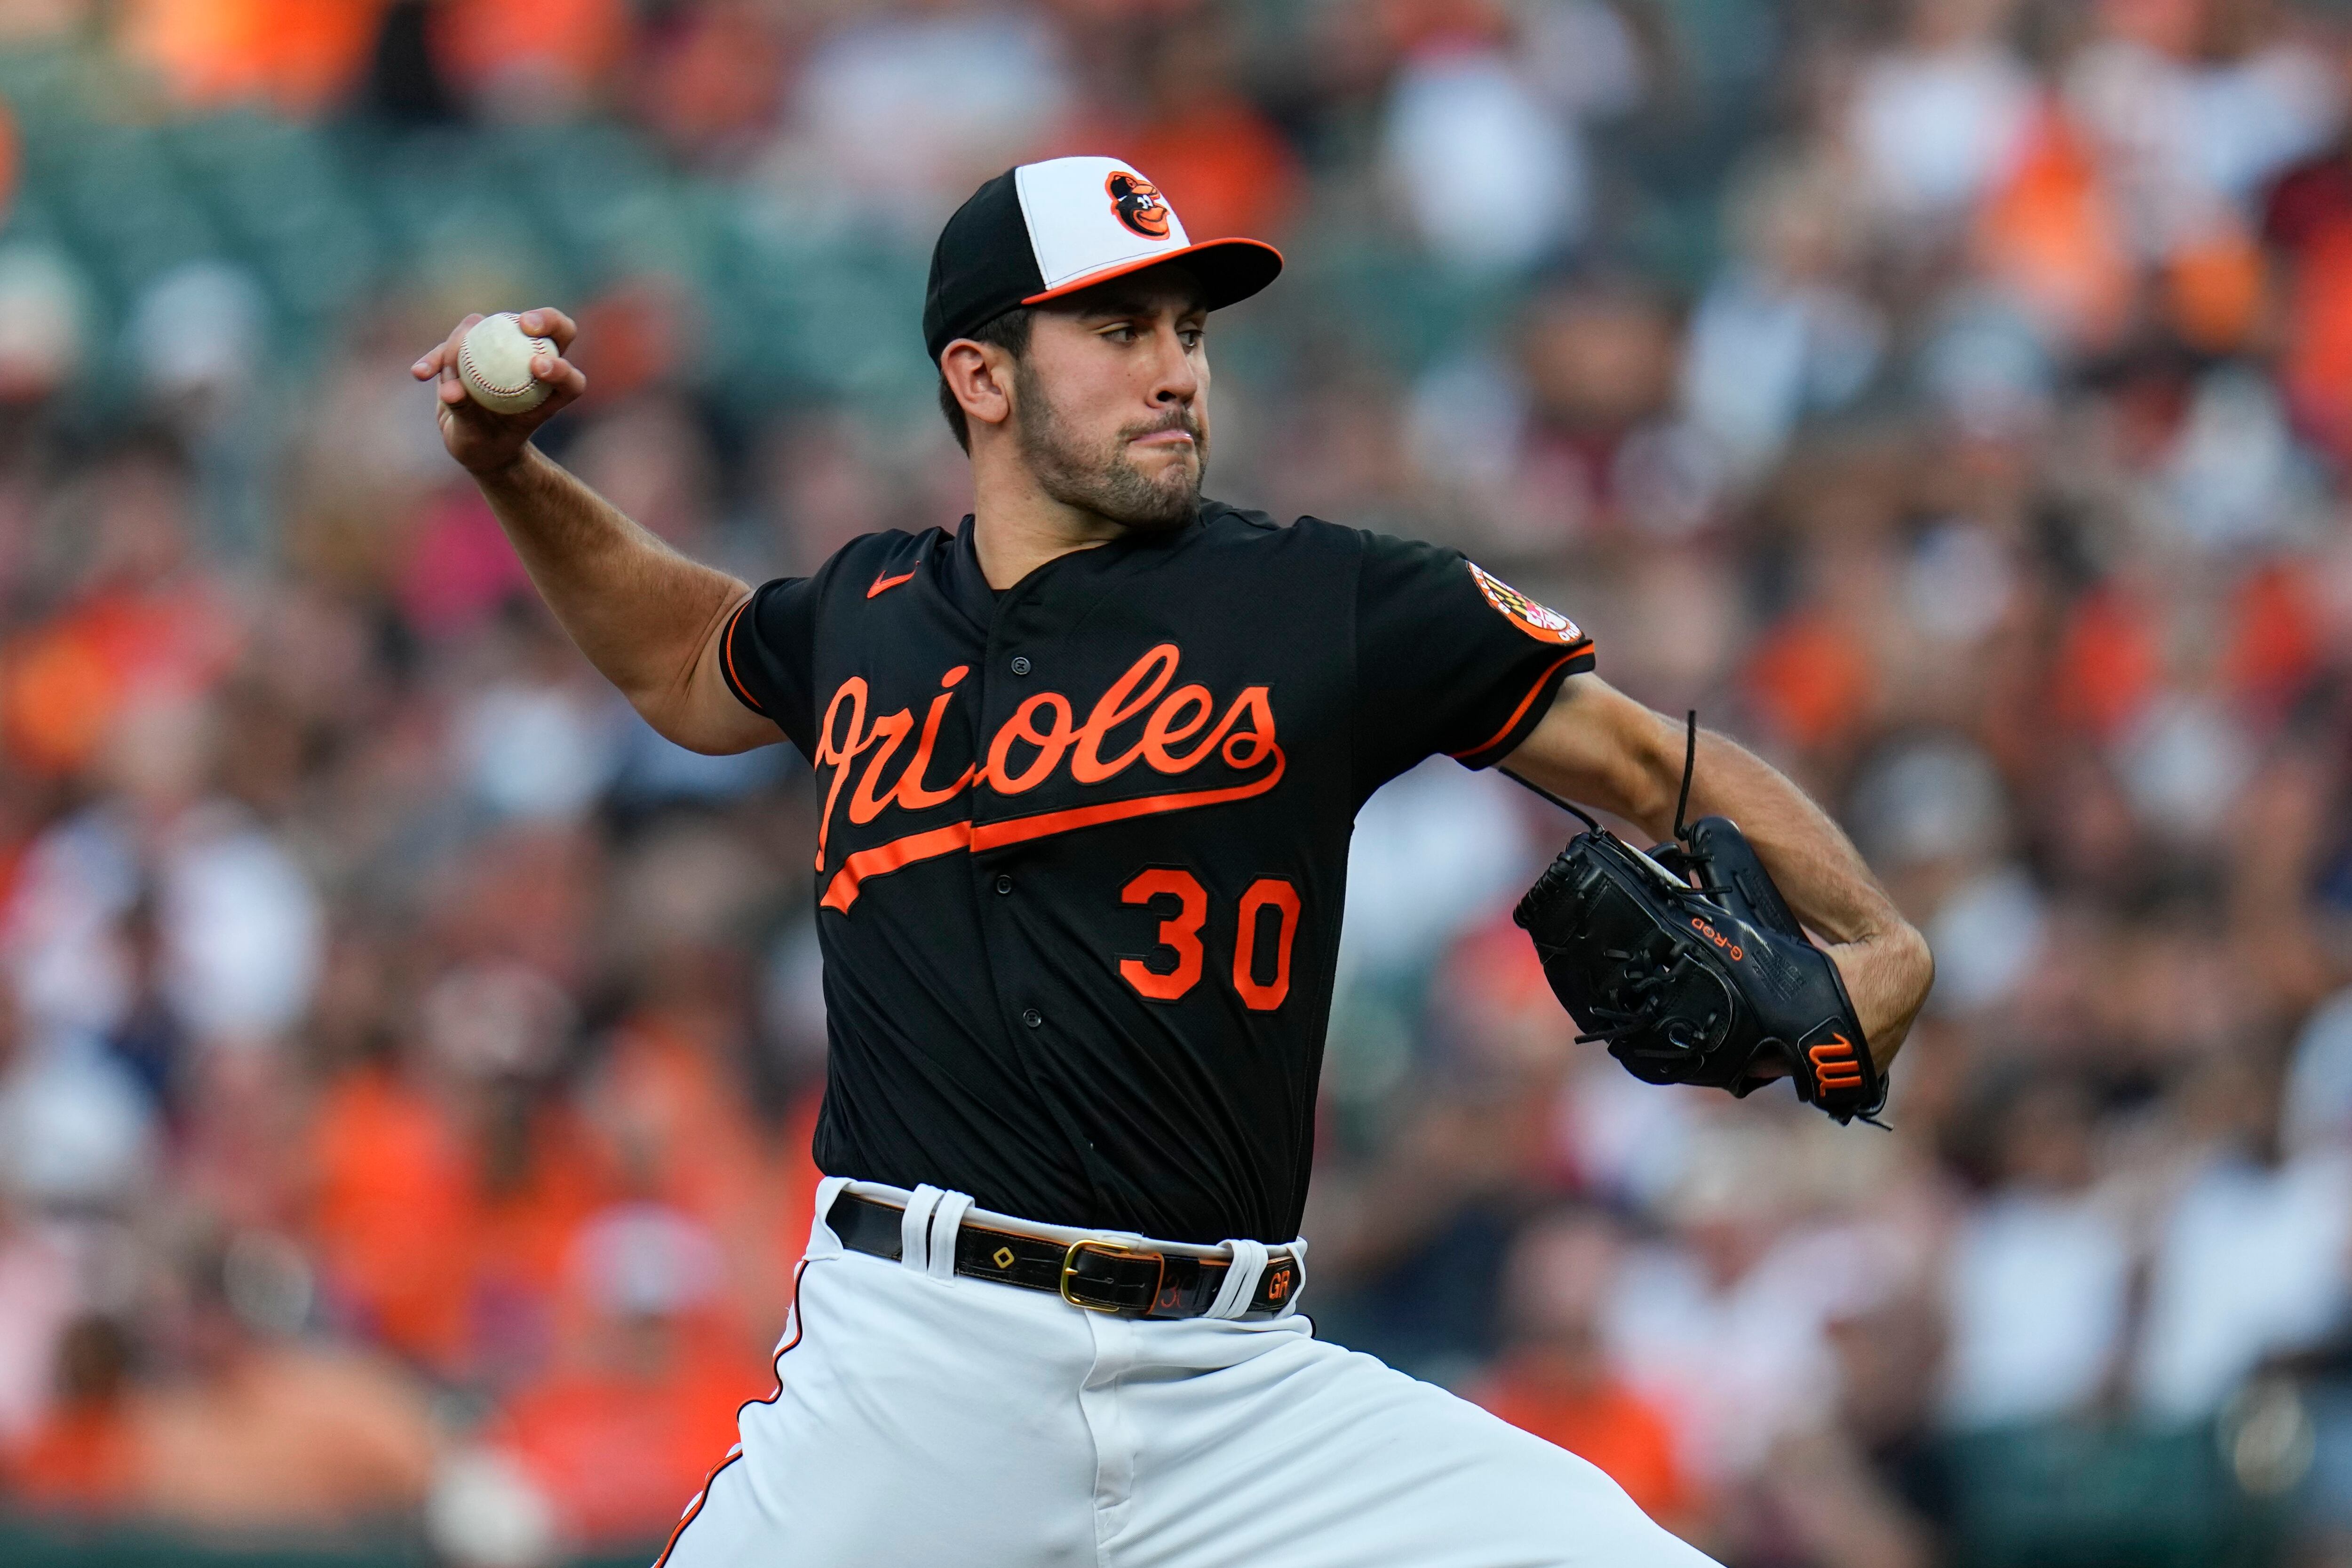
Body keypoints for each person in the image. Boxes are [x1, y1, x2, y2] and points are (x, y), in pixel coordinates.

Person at [411, 155, 1932, 1568]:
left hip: (1241, 1388)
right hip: (917, 1380)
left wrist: (1878, 942)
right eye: (1120, 327)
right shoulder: (866, 617)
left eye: (1189, 330)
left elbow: (1646, 762)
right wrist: (510, 471)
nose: (1175, 366)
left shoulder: (1326, 603)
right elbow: (688, 659)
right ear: (981, 374)